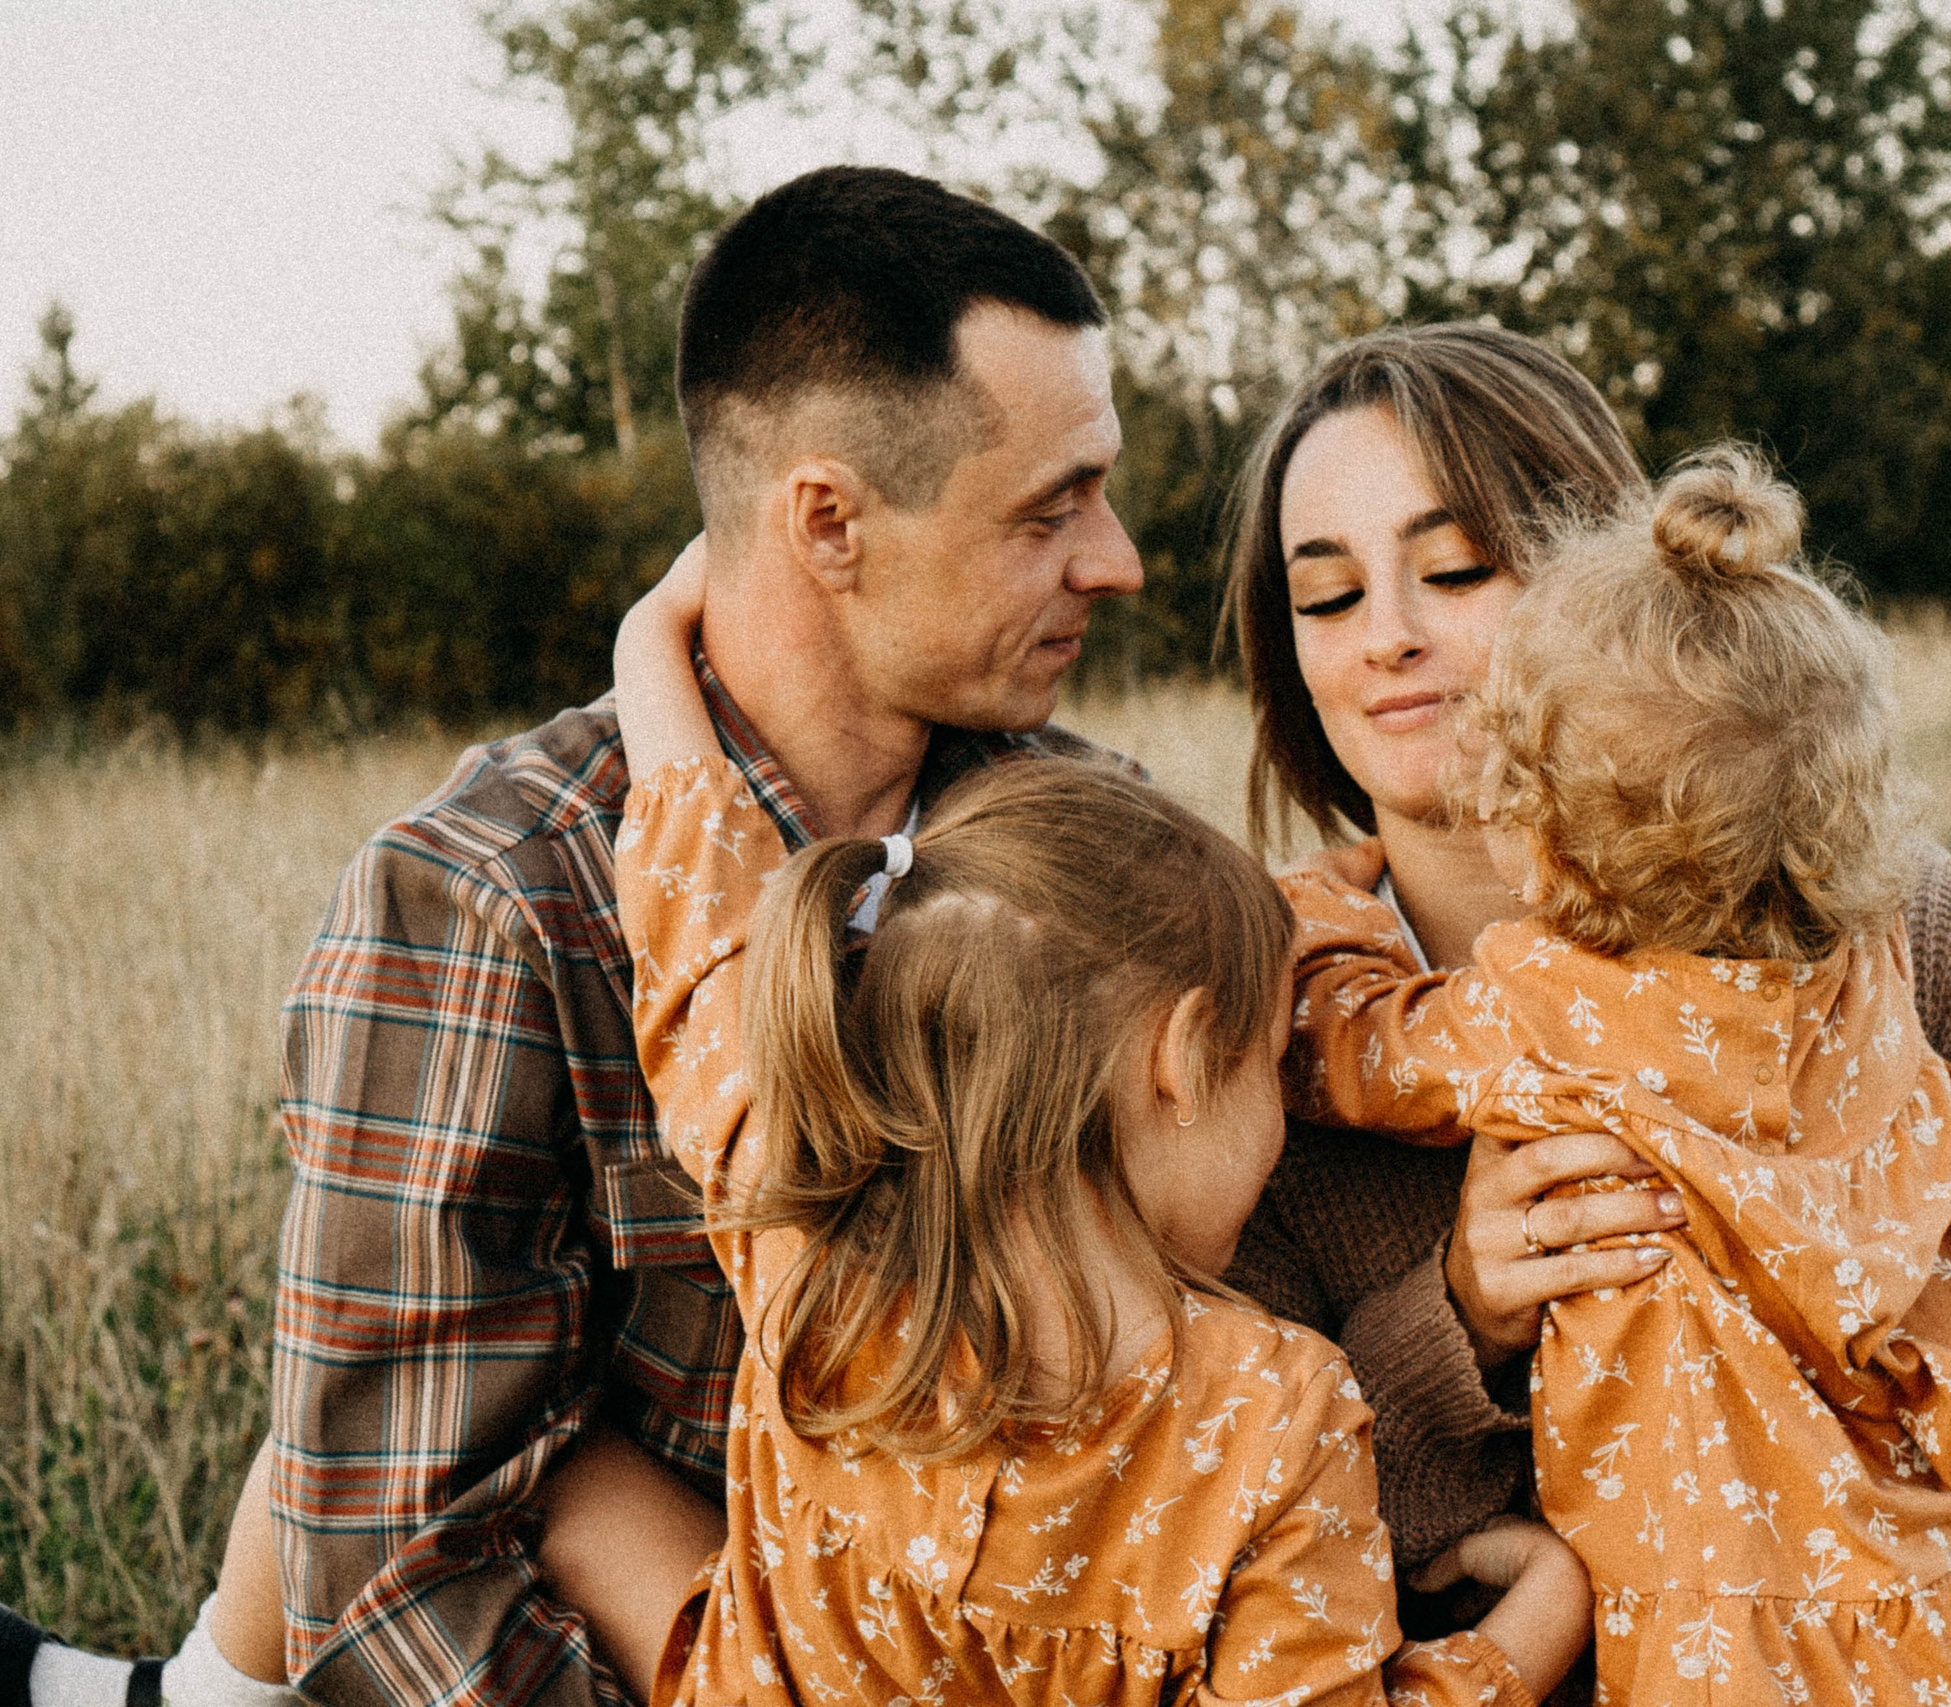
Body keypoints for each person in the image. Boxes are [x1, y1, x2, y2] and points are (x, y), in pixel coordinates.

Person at [0, 164, 1147, 1707]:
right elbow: (397, 1561)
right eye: (1050, 507)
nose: (1119, 558)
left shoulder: (1090, 839)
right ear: (828, 521)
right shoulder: (493, 895)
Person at [1220, 324, 1951, 1704]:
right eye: (1329, 596)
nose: (1392, 638)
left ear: (1614, 583)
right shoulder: (1242, 1020)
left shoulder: (1884, 925)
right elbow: (1245, 1545)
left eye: (1458, 568)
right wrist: (1456, 1324)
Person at [570, 550, 1591, 1706]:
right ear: (1181, 1058)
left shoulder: (810, 1235)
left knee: (572, 1497)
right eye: (1269, 1071)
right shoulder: (1273, 1420)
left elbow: (703, 931)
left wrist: (649, 642)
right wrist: (1533, 1626)